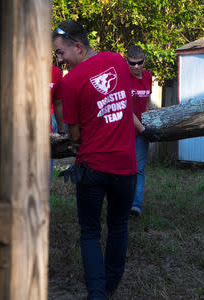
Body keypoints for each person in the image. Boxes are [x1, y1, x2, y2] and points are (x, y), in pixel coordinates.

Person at [53, 20, 137, 299]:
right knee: (118, 225)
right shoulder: (117, 61)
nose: (59, 59)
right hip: (126, 165)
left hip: (92, 167)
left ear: (77, 47)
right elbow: (124, 106)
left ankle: (97, 292)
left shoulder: (70, 82)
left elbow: (74, 135)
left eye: (61, 52)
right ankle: (112, 284)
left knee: (89, 231)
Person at [126, 45, 158, 216]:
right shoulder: (123, 78)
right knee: (123, 169)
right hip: (124, 132)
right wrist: (143, 129)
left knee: (138, 169)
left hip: (141, 133)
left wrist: (155, 122)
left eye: (140, 63)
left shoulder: (148, 76)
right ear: (127, 62)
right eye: (132, 63)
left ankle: (135, 206)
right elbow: (125, 109)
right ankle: (122, 203)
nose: (137, 67)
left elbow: (148, 103)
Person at [49, 65, 64, 186]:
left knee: (44, 182)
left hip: (45, 134)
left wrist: (61, 131)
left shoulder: (55, 72)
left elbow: (58, 102)